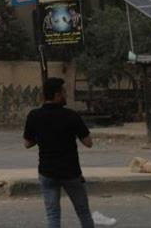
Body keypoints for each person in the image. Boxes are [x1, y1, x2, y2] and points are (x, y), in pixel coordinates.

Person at [23, 77, 94, 228]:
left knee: (53, 215)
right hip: (71, 173)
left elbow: (27, 143)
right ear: (56, 95)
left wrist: (42, 136)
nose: (66, 95)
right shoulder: (71, 116)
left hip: (47, 173)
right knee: (83, 212)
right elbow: (88, 143)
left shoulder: (34, 116)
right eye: (64, 92)